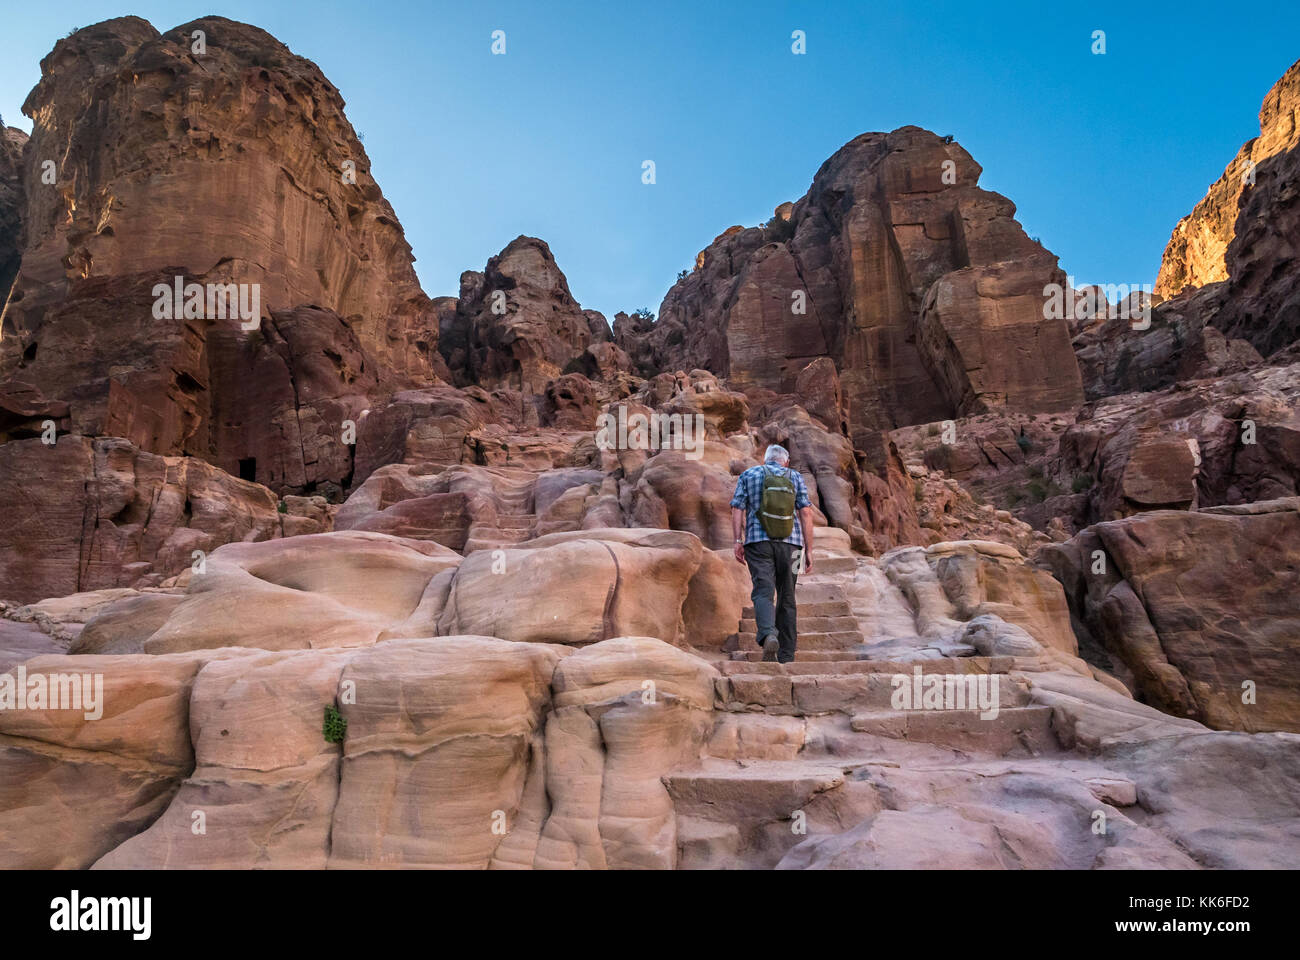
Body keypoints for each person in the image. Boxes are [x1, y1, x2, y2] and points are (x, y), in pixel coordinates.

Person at [729, 444, 815, 663]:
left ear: (765, 459)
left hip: (758, 544)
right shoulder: (795, 476)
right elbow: (805, 512)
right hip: (794, 547)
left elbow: (737, 507)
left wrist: (738, 541)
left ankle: (768, 634)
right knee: (788, 595)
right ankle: (787, 655)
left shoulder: (749, 474)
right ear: (785, 461)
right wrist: (809, 550)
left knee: (763, 591)